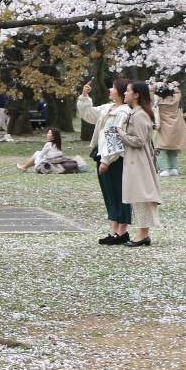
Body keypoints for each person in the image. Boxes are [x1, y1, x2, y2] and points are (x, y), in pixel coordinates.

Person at [78, 78, 133, 245]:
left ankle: (122, 232)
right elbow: (88, 115)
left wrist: (107, 161)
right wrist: (84, 96)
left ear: (122, 92)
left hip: (115, 159)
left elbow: (116, 138)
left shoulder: (123, 112)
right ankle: (113, 231)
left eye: (113, 88)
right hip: (103, 155)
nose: (110, 90)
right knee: (110, 194)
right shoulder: (108, 108)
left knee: (120, 194)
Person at [121, 82, 163, 247]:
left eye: (128, 90)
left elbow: (138, 140)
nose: (125, 93)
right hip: (134, 159)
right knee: (137, 195)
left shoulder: (140, 115)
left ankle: (143, 234)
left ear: (137, 94)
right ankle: (141, 233)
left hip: (139, 160)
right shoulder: (136, 113)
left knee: (142, 195)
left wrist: (120, 133)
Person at [153, 83, 186, 176]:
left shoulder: (159, 100)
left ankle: (163, 170)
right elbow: (178, 91)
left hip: (164, 126)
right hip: (175, 126)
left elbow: (150, 93)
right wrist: (171, 86)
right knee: (172, 149)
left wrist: (155, 85)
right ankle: (174, 168)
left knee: (160, 149)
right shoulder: (175, 100)